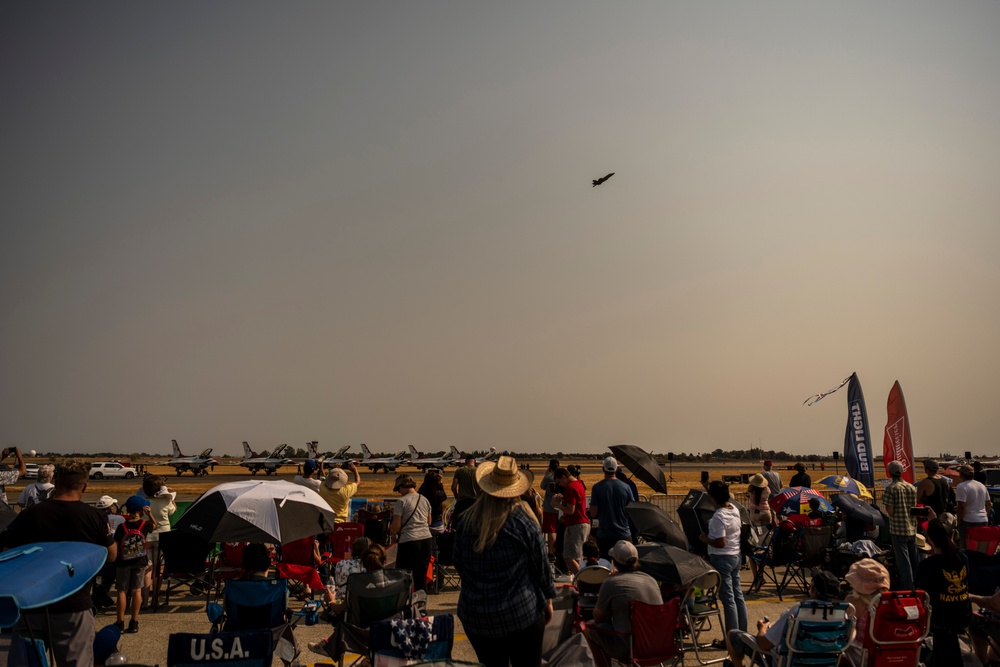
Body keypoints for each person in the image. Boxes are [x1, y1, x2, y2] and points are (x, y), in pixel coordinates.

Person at [4, 460, 117, 667]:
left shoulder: (30, 514)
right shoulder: (93, 516)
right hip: (73, 604)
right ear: (85, 486)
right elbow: (111, 555)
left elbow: (9, 555)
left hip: (32, 605)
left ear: (56, 482)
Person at [454, 455, 555, 667]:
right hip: (520, 612)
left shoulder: (466, 520)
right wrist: (548, 598)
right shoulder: (524, 520)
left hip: (476, 615)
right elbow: (542, 566)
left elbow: (459, 563)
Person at [727, 571, 843, 667]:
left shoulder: (796, 612)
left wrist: (762, 629)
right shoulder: (842, 616)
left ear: (812, 590)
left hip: (786, 662)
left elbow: (763, 645)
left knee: (733, 635)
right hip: (825, 664)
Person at [585, 540, 663, 667]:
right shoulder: (651, 580)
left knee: (589, 628)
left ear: (615, 562)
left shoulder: (611, 583)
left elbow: (598, 617)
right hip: (656, 643)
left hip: (628, 647)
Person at [916, 519, 972, 667]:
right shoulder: (962, 558)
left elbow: (920, 596)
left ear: (930, 540)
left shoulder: (927, 565)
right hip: (962, 614)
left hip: (941, 618)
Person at [699, 480, 747, 648]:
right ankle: (743, 634)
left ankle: (732, 640)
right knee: (738, 596)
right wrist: (708, 488)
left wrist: (706, 539)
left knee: (728, 600)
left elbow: (720, 542)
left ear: (713, 497)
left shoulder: (718, 516)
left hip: (722, 557)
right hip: (735, 556)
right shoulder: (733, 509)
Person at [113, 495, 157, 633]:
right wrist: (150, 514)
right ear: (141, 510)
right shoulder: (145, 525)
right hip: (140, 561)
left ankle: (120, 622)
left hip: (124, 562)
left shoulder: (122, 527)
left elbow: (117, 544)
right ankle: (134, 622)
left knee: (121, 591)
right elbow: (155, 525)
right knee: (137, 590)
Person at [842, 559, 891, 667]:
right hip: (887, 655)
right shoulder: (890, 602)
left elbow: (844, 632)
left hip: (860, 655)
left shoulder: (854, 602)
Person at [390, 474, 433, 593]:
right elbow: (429, 521)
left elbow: (396, 526)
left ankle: (404, 603)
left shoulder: (401, 502)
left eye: (398, 489)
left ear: (403, 486)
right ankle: (421, 606)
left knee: (403, 575)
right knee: (421, 575)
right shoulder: (424, 500)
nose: (399, 492)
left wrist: (392, 531)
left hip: (409, 540)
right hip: (426, 539)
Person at [140, 475, 175, 607]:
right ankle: (155, 598)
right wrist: (171, 497)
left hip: (146, 536)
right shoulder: (165, 501)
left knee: (147, 569)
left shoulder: (143, 501)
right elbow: (172, 511)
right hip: (162, 537)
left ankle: (144, 601)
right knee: (159, 569)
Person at [883, 460, 918, 590]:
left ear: (889, 473)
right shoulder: (911, 487)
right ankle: (917, 585)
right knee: (914, 561)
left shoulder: (891, 488)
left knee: (904, 563)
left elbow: (890, 511)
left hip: (898, 529)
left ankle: (907, 588)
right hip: (911, 528)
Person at [588, 456, 633, 558]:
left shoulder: (597, 487)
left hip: (605, 535)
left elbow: (593, 513)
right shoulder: (626, 487)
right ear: (616, 469)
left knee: (606, 566)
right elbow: (631, 509)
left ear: (603, 469)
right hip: (623, 533)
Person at [551, 466, 590, 574]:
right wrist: (564, 499)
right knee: (577, 557)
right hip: (581, 523)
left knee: (569, 556)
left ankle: (581, 578)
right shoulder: (579, 483)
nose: (559, 485)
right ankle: (580, 578)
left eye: (559, 482)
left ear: (563, 477)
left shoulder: (570, 487)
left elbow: (570, 510)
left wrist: (557, 505)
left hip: (576, 525)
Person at [956, 464, 992, 546]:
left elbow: (961, 506)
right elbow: (988, 503)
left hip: (969, 520)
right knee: (979, 546)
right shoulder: (981, 486)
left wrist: (959, 519)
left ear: (961, 474)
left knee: (966, 546)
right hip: (983, 520)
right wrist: (986, 515)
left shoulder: (962, 486)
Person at [332, 536, 371, 600]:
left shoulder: (340, 564)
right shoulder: (369, 566)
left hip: (342, 600)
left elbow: (338, 582)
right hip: (362, 600)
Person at [451, 455, 480, 526]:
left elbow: (454, 487)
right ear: (475, 461)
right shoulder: (479, 471)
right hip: (475, 502)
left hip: (462, 501)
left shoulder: (460, 470)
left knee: (455, 524)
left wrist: (456, 495)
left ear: (465, 461)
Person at [540, 459, 560, 558]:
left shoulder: (548, 478)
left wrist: (545, 474)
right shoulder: (561, 477)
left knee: (551, 530)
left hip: (549, 507)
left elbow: (542, 486)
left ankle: (551, 552)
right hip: (561, 508)